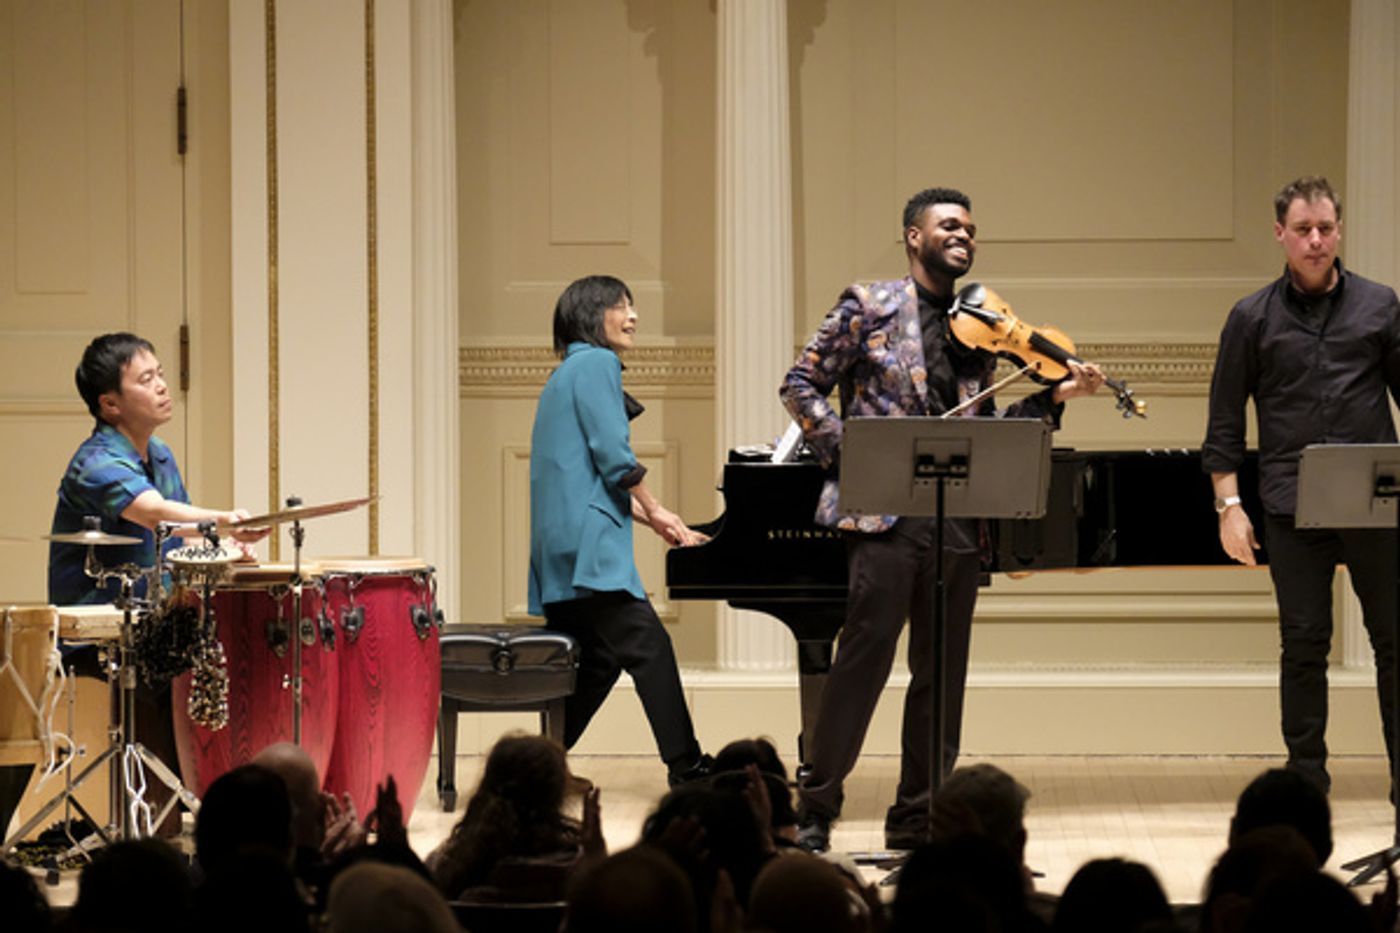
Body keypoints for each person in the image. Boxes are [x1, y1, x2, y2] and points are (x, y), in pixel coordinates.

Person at [779, 187, 1104, 852]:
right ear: (913, 236)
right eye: (949, 225)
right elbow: (800, 384)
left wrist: (1055, 396)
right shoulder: (868, 305)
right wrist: (854, 453)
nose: (964, 236)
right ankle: (815, 805)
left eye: (971, 229)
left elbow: (993, 432)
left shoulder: (976, 329)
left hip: (958, 518)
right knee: (862, 663)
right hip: (884, 515)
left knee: (942, 673)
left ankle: (918, 816)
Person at [1, 334, 267, 841]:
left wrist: (227, 548)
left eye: (161, 373)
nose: (164, 386)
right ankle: (140, 816)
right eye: (147, 379)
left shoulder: (160, 455)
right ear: (110, 403)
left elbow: (177, 536)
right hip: (96, 632)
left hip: (149, 624)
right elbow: (152, 513)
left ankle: (186, 807)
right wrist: (224, 521)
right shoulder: (96, 460)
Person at [1203, 176, 1400, 794]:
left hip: (1376, 501)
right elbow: (1226, 423)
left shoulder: (1380, 305)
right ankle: (1306, 787)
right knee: (1304, 644)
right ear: (1281, 234)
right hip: (1292, 507)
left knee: (1395, 644)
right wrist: (1230, 507)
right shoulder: (1251, 317)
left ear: (1338, 231)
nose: (1315, 241)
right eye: (1303, 230)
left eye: (1325, 228)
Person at [528, 276, 710, 785]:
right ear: (591, 313)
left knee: (602, 658)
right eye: (621, 306)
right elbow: (613, 456)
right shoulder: (596, 363)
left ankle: (537, 769)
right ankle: (687, 767)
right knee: (649, 647)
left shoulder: (565, 374)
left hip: (560, 543)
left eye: (633, 306)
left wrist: (654, 517)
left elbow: (580, 476)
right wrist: (656, 508)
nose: (632, 317)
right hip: (590, 545)